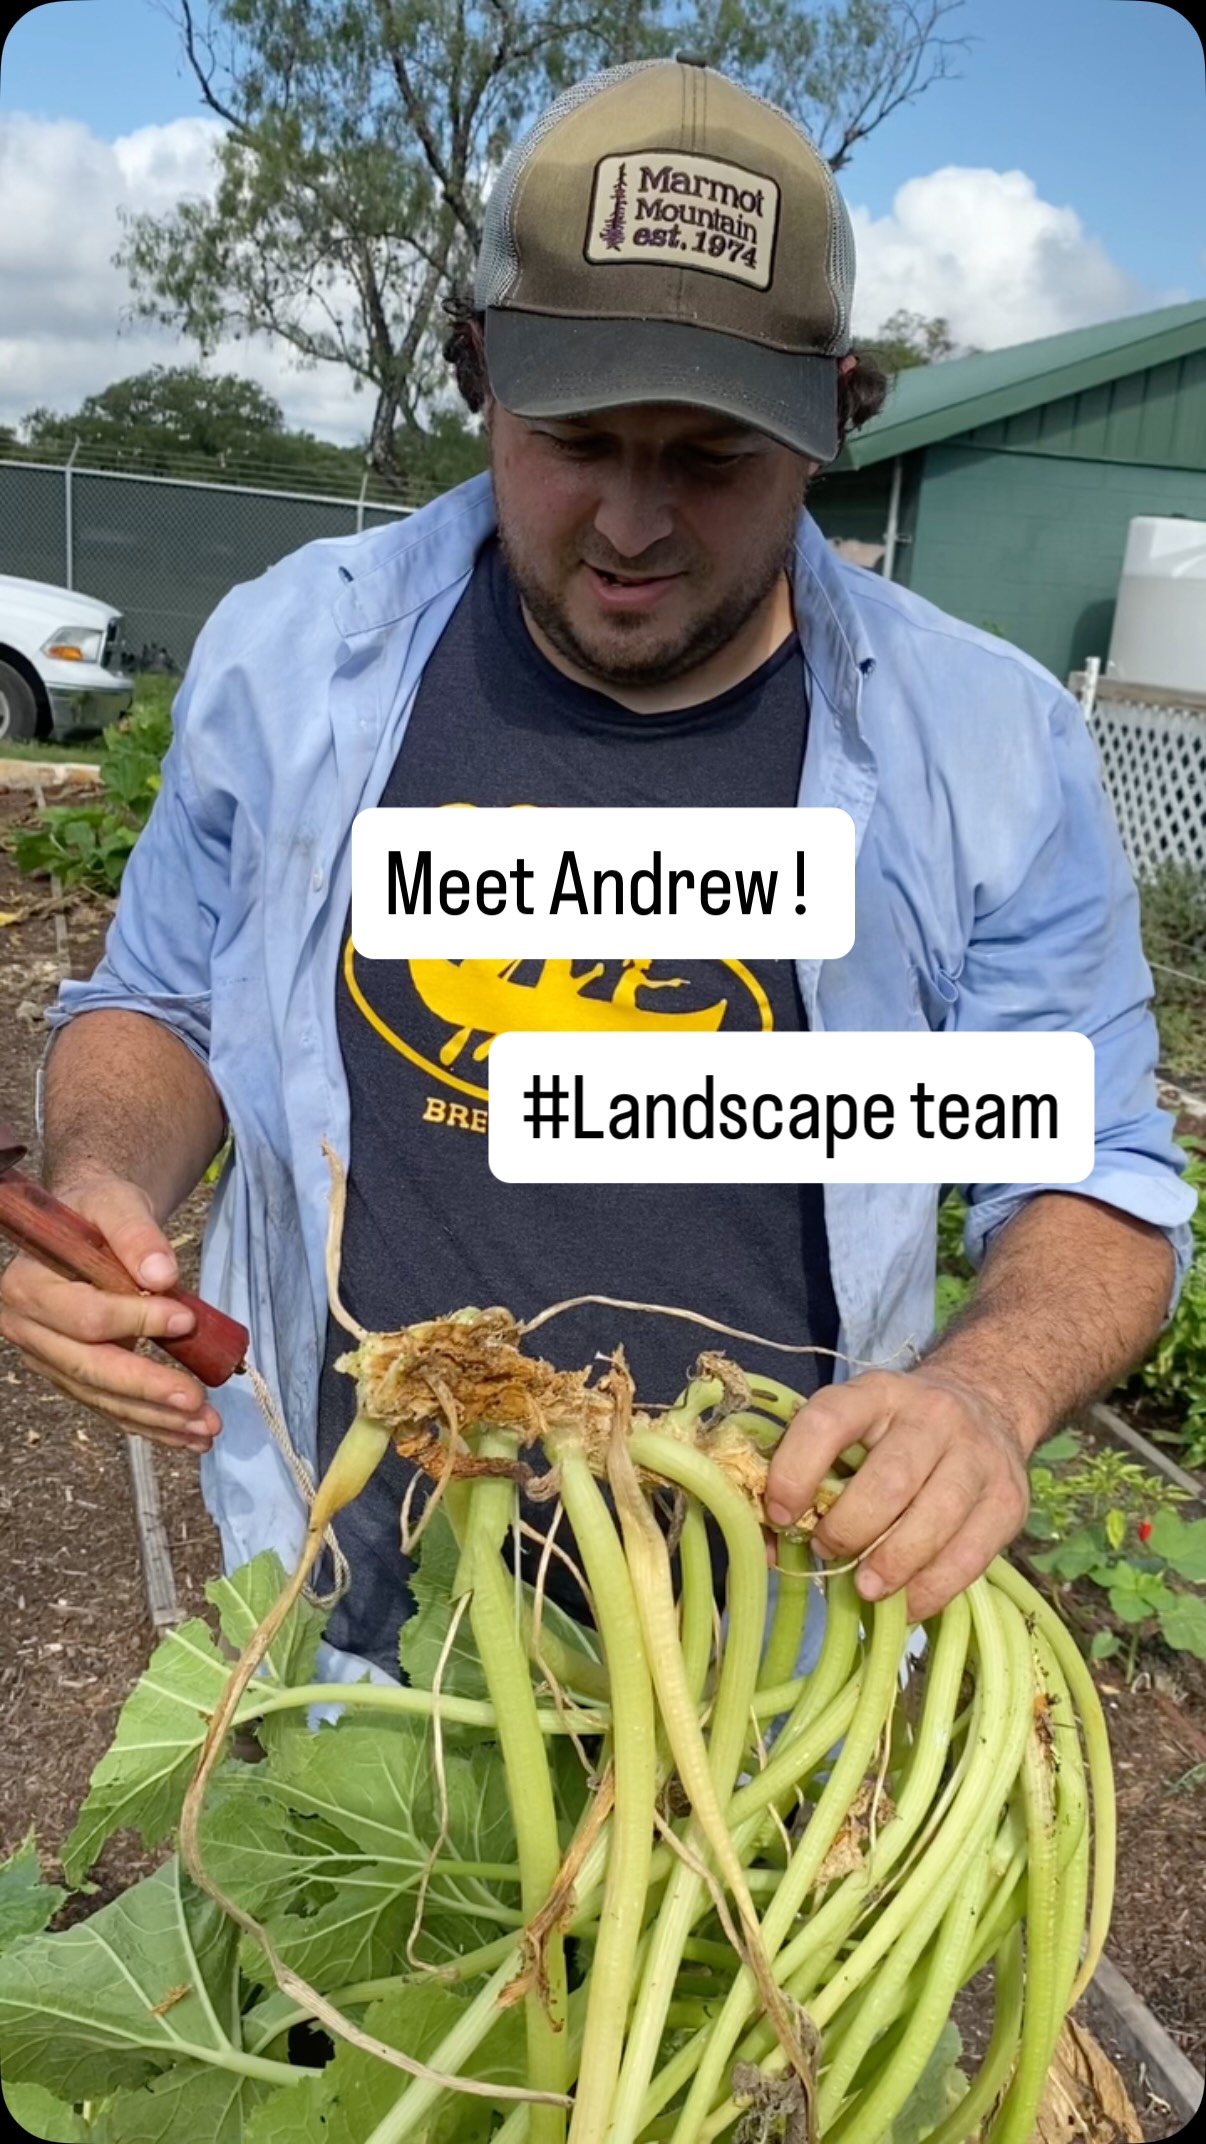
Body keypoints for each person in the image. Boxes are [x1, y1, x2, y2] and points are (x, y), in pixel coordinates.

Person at [0, 57, 1194, 1690]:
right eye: (573, 441)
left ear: (834, 419)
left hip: (776, 1663)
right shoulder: (296, 655)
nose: (631, 526)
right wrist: (107, 1185)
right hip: (347, 1633)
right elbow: (167, 1004)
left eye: (710, 457)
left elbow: (1090, 1161)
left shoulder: (983, 744)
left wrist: (986, 1391)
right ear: (479, 374)